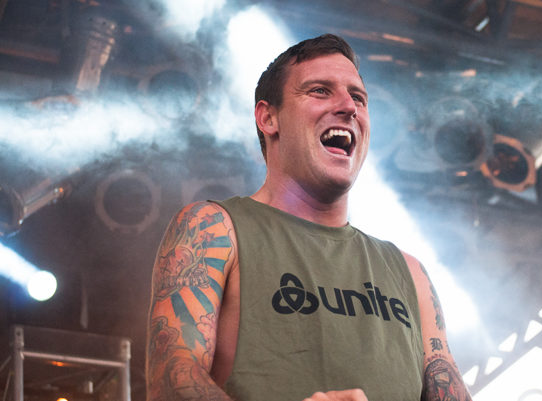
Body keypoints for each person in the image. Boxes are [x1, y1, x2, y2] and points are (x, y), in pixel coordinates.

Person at [146, 34, 472, 401]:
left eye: (359, 98)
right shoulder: (213, 229)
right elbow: (170, 384)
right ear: (268, 117)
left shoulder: (410, 273)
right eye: (320, 91)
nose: (348, 107)